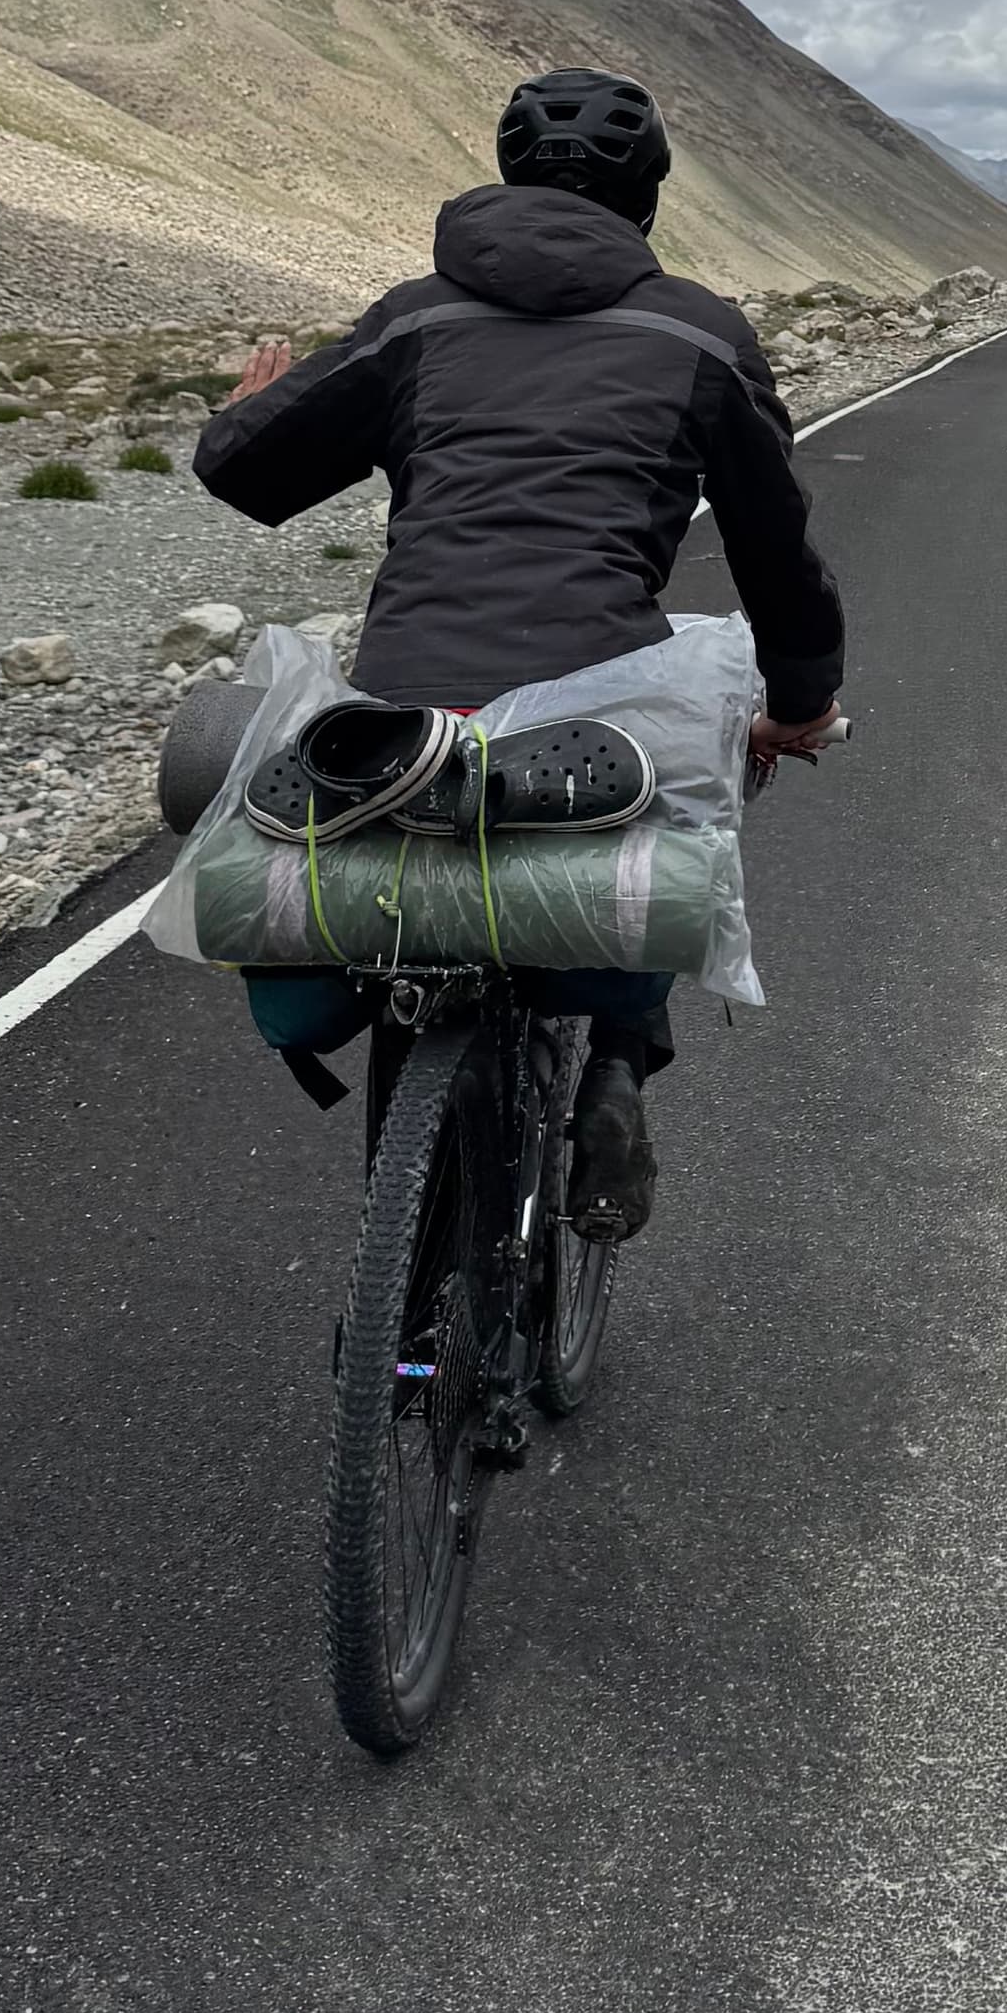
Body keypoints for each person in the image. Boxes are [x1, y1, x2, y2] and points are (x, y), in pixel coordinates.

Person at [193, 68, 845, 1240]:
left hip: (402, 709)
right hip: (592, 716)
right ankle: (619, 1064)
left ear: (504, 174)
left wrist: (250, 407)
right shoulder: (699, 332)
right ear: (648, 198)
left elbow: (250, 474)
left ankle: (403, 1274)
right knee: (679, 746)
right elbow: (776, 554)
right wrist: (798, 701)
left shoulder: (416, 318)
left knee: (403, 856)